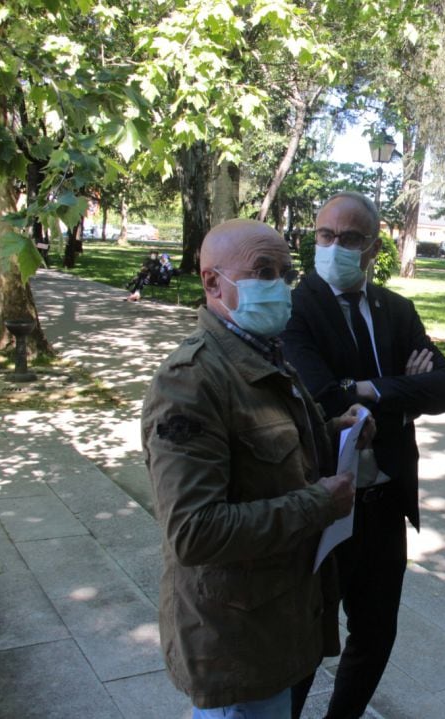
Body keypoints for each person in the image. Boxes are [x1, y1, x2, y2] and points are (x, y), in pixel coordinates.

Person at [142, 218, 374, 718]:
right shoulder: (190, 382)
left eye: (285, 274)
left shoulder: (261, 352)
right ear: (212, 282)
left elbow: (267, 448)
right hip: (232, 640)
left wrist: (337, 431)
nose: (280, 287)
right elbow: (194, 531)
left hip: (271, 622)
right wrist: (319, 503)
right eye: (263, 271)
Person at [282, 191, 445, 719]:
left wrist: (369, 390)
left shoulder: (395, 309)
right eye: (325, 235)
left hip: (384, 504)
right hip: (322, 502)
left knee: (376, 632)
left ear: (373, 247)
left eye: (350, 238)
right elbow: (323, 397)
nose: (335, 246)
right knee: (308, 638)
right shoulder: (296, 308)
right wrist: (402, 385)